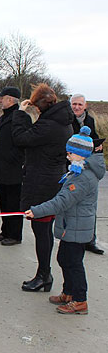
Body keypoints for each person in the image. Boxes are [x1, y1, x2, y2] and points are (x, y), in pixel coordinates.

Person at [26, 127, 105, 314]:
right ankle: (68, 292)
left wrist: (36, 211)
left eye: (70, 152)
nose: (67, 155)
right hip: (72, 226)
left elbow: (62, 201)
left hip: (78, 227)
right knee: (64, 258)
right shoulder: (78, 171)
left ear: (80, 154)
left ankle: (80, 300)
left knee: (73, 263)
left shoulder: (83, 178)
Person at [11, 83, 74, 292]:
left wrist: (20, 113)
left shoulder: (48, 125)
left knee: (41, 229)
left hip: (42, 183)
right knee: (44, 230)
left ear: (39, 106)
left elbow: (21, 138)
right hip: (50, 179)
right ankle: (44, 273)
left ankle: (44, 275)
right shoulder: (61, 121)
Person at [0, 86, 24, 246]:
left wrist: (12, 159)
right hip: (2, 168)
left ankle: (15, 234)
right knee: (4, 201)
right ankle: (6, 231)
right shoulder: (4, 117)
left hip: (13, 168)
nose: (0, 100)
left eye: (2, 97)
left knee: (13, 203)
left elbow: (22, 142)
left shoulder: (20, 116)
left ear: (10, 99)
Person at [70, 93, 104, 255]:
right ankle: (73, 238)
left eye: (79, 105)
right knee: (70, 204)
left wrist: (98, 146)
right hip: (70, 166)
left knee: (89, 206)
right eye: (74, 104)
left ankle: (90, 239)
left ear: (85, 106)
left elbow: (94, 138)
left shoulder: (89, 120)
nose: (76, 107)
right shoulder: (66, 120)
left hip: (87, 167)